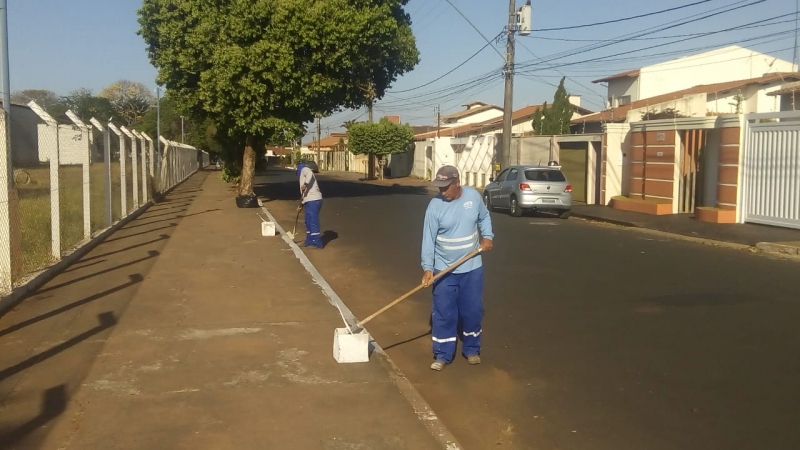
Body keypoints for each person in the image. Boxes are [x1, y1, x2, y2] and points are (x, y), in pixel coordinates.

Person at [421, 165, 493, 371]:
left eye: (445, 187)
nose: (442, 192)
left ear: (457, 183)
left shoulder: (473, 197)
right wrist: (428, 268)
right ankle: (443, 354)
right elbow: (428, 240)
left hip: (471, 267)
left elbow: (484, 217)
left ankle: (471, 349)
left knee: (472, 310)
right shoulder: (434, 206)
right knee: (444, 312)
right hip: (443, 269)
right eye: (439, 187)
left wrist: (487, 236)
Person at [296, 162, 324, 249]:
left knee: (312, 220)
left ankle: (317, 243)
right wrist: (301, 204)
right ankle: (309, 240)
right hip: (309, 200)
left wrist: (306, 184)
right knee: (308, 221)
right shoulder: (302, 176)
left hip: (314, 199)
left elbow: (310, 173)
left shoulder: (304, 169)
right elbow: (304, 194)